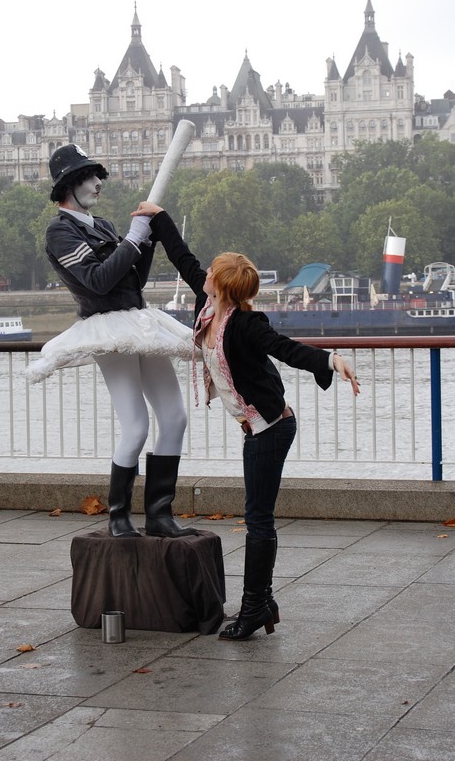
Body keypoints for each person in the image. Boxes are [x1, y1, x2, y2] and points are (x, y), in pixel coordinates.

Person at [132, 201, 360, 640]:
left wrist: (331, 360)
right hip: (256, 428)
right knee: (258, 515)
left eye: (212, 273)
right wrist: (158, 218)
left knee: (258, 519)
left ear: (221, 284)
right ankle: (265, 599)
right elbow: (184, 258)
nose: (206, 275)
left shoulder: (247, 324)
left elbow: (288, 349)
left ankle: (254, 605)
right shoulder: (208, 304)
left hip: (271, 429)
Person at [35, 144, 197, 539]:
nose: (98, 183)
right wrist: (133, 240)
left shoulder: (103, 226)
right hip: (107, 329)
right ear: (69, 185)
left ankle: (160, 514)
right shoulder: (59, 231)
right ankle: (119, 515)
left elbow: (132, 280)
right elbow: (97, 281)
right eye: (90, 176)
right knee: (136, 427)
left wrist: (147, 239)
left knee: (175, 416)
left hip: (138, 320)